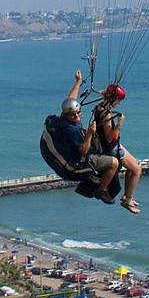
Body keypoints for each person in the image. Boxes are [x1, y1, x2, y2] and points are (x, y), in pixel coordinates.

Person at [39, 69, 120, 201]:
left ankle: (96, 178)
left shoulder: (63, 118)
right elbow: (83, 150)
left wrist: (78, 82)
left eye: (78, 113)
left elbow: (71, 99)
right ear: (67, 115)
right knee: (114, 163)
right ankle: (102, 190)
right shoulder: (71, 130)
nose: (77, 116)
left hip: (58, 158)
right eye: (73, 115)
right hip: (71, 170)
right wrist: (89, 133)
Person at [91, 82, 142, 214]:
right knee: (137, 170)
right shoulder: (106, 114)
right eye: (118, 101)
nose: (118, 103)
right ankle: (128, 201)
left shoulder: (100, 107)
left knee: (133, 166)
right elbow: (109, 137)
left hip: (112, 145)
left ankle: (127, 196)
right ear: (114, 99)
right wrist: (119, 124)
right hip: (110, 147)